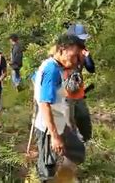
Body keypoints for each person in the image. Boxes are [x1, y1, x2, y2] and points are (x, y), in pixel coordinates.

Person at [33, 34, 86, 182]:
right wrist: (54, 136)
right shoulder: (52, 69)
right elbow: (44, 103)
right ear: (62, 50)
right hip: (48, 128)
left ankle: (62, 179)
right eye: (74, 56)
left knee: (77, 151)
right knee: (48, 168)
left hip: (60, 123)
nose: (76, 60)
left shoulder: (57, 67)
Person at [65, 23, 95, 142]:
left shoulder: (83, 51)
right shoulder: (62, 52)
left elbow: (91, 68)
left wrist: (87, 56)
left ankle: (83, 144)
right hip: (65, 95)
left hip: (79, 94)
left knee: (84, 123)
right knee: (68, 126)